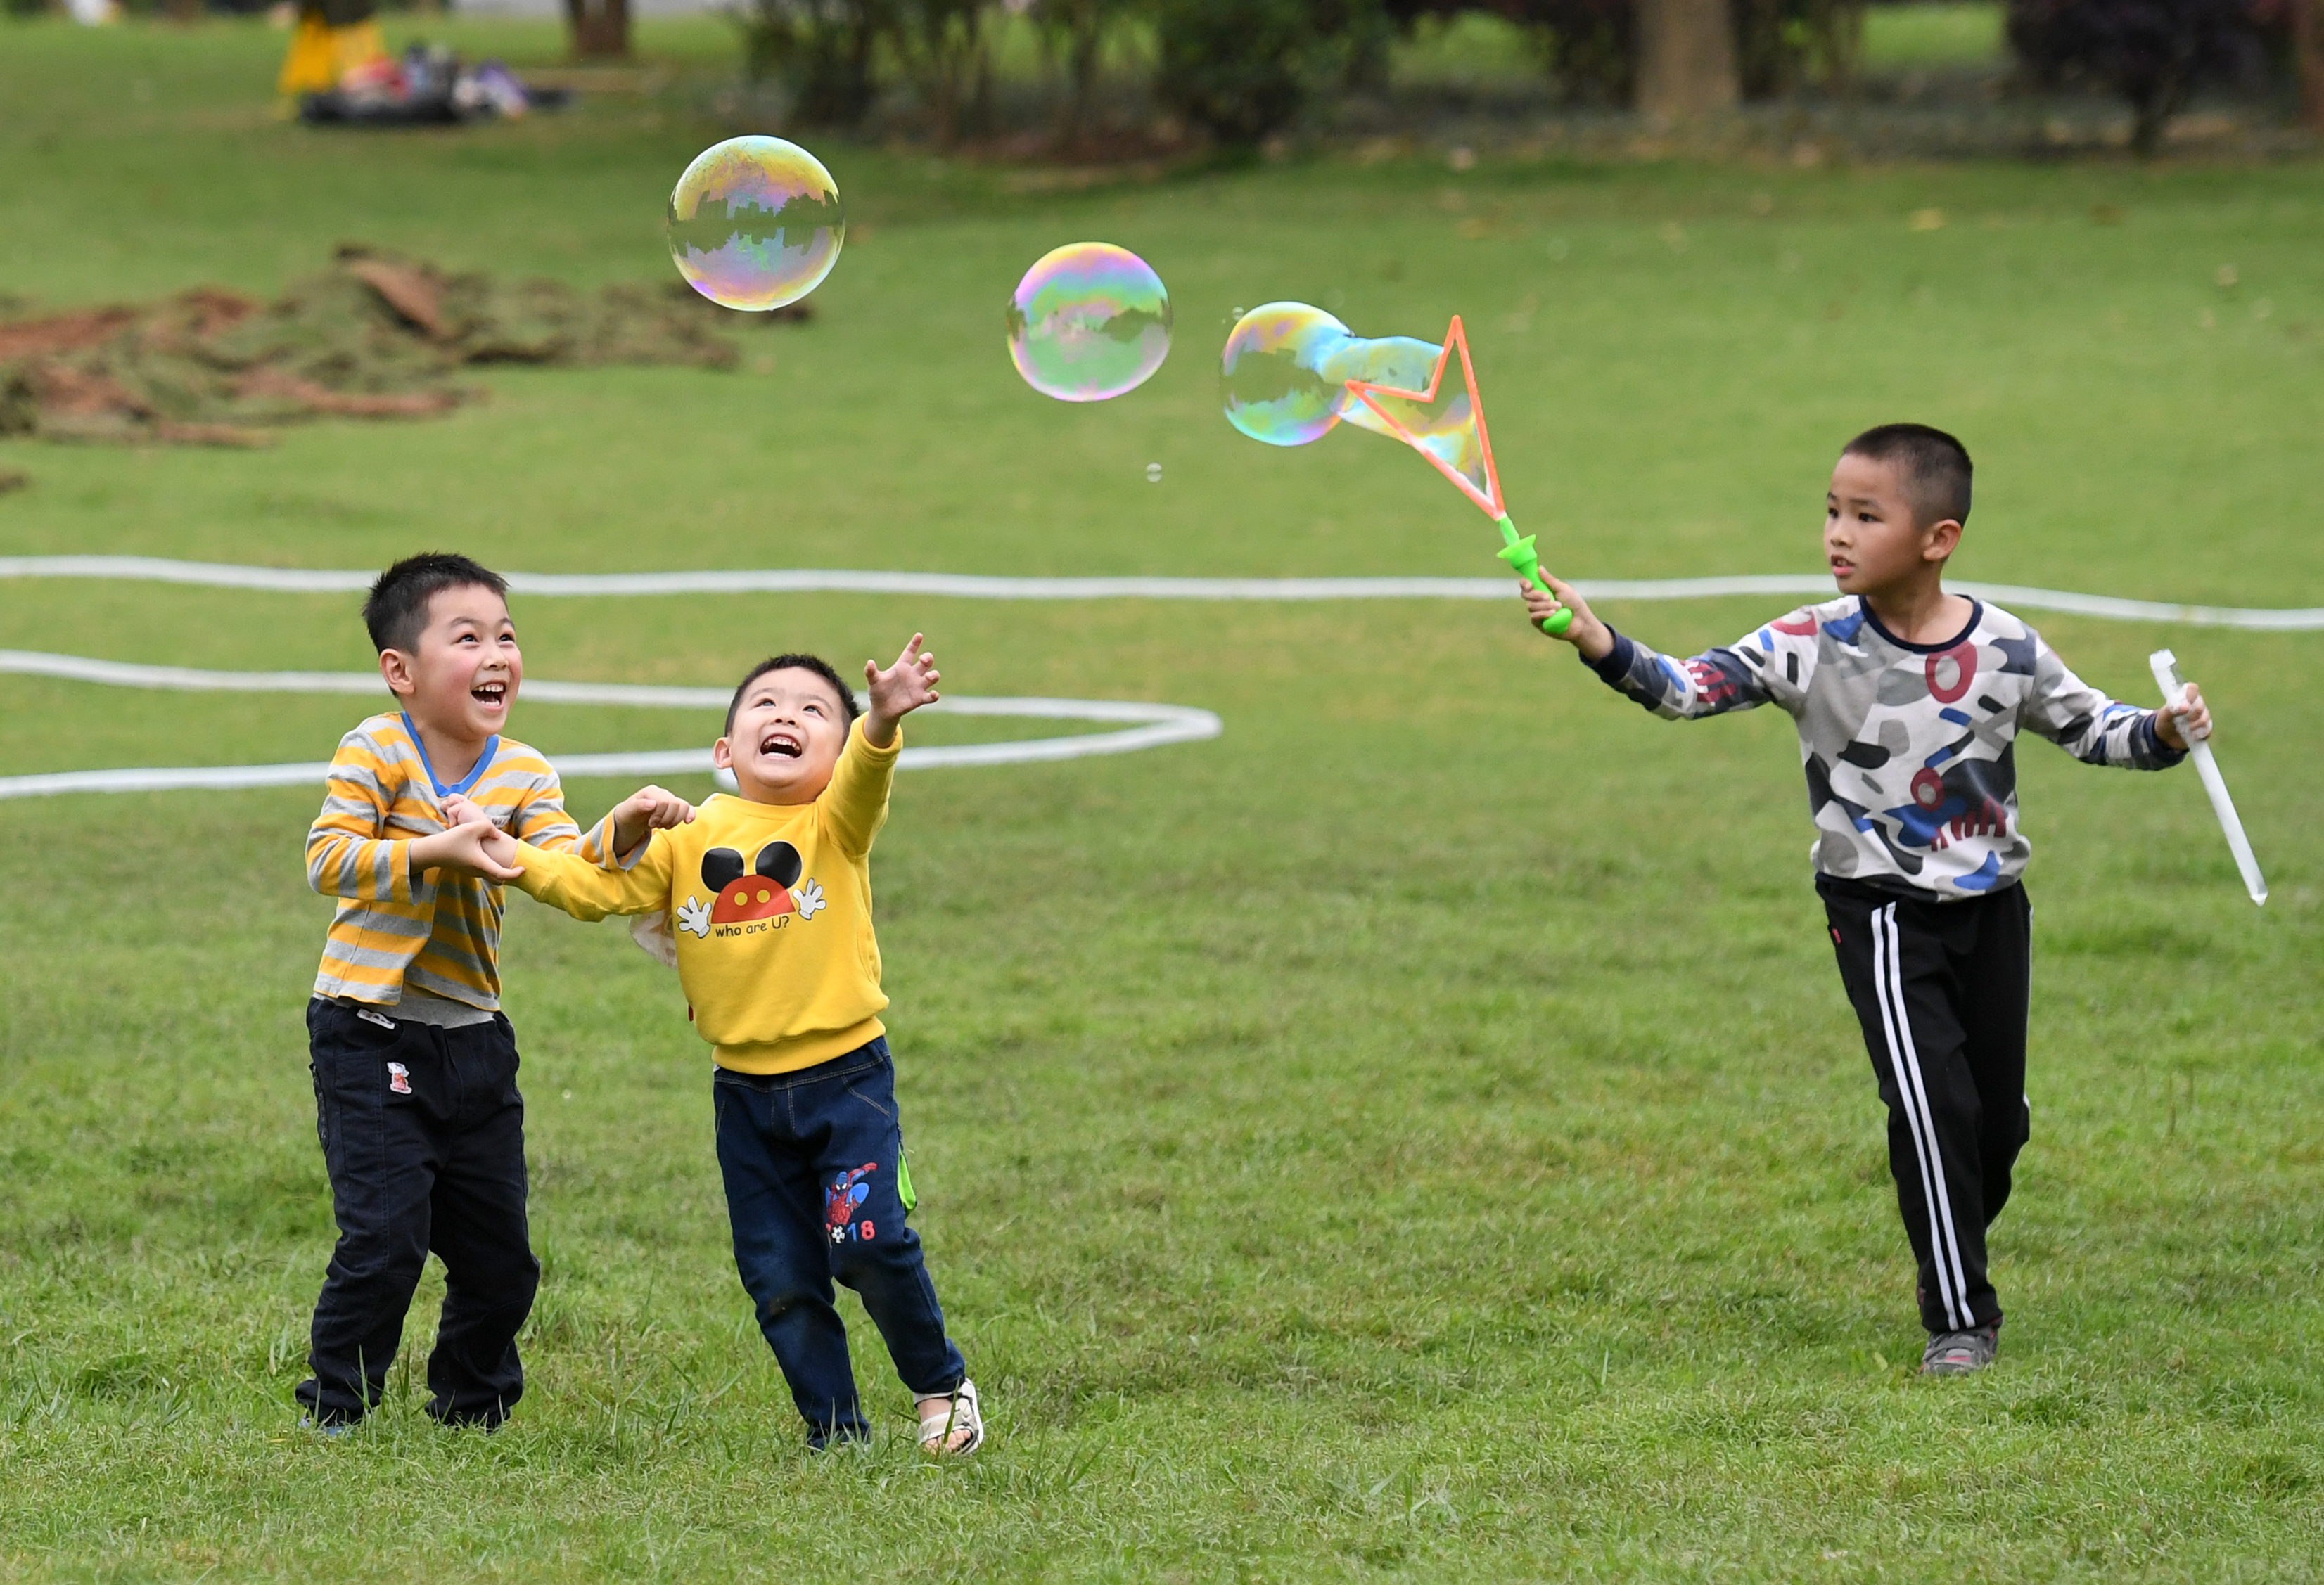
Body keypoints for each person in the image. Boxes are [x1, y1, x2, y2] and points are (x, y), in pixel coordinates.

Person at [1520, 424, 2211, 1375]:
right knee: (1930, 1106)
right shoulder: (1809, 642)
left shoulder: (2005, 645)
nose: (1837, 534)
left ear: (1939, 538)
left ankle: (1948, 1227)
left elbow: (2099, 729)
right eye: (1832, 511)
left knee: (1991, 1125)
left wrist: (2167, 728)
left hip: (1994, 907)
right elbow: (1686, 688)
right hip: (1877, 908)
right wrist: (1598, 639)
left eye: (1865, 515)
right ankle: (1960, 1321)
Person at [471, 637, 986, 1453]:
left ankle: (940, 1385)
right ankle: (836, 1434)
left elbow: (865, 776)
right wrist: (508, 855)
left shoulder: (833, 823)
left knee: (871, 1243)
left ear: (836, 749)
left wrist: (881, 719)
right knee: (780, 1278)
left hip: (846, 1081)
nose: (787, 715)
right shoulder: (684, 837)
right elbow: (594, 889)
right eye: (767, 705)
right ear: (723, 748)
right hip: (743, 1096)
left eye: (816, 711)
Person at [298, 552, 672, 1429]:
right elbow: (328, 861)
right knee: (385, 1242)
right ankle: (336, 1408)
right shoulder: (376, 749)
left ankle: (473, 1407)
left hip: (474, 1040)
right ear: (401, 670)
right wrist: (434, 849)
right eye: (467, 637)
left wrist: (621, 826)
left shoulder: (525, 772)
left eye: (507, 636)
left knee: (503, 1262)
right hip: (368, 1030)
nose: (498, 653)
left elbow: (565, 870)